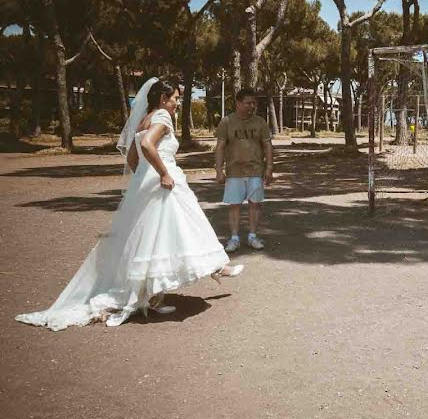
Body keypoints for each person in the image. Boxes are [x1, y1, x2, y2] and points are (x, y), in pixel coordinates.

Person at [16, 78, 243, 330]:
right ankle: (216, 268)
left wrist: (144, 179)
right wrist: (163, 173)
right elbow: (147, 146)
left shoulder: (143, 119)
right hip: (163, 179)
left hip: (147, 183)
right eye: (175, 98)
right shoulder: (162, 117)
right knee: (186, 225)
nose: (178, 103)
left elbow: (134, 158)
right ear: (162, 99)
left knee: (153, 238)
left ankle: (155, 296)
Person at [215, 89, 274, 253]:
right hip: (234, 171)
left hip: (256, 170)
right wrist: (219, 170)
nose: (252, 106)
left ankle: (252, 236)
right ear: (238, 103)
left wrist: (269, 168)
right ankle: (234, 239)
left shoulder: (260, 122)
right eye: (248, 103)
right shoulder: (227, 122)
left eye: (254, 103)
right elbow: (219, 147)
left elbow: (267, 146)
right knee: (234, 205)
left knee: (254, 205)